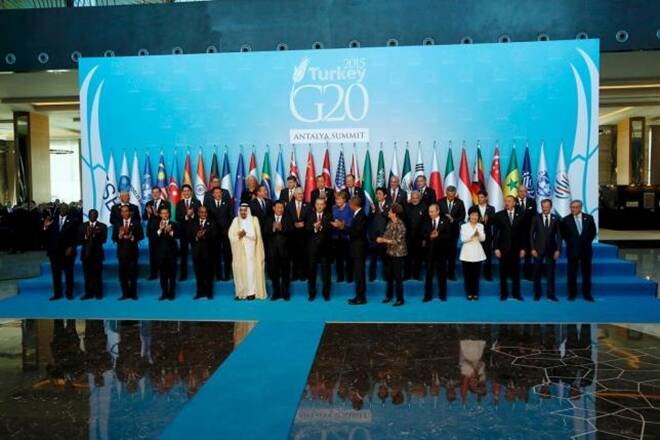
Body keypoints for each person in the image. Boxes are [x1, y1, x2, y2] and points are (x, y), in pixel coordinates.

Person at [228, 204, 267, 300]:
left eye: (245, 210)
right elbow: (231, 235)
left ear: (248, 211)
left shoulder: (254, 220)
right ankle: (241, 293)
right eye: (241, 210)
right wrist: (239, 236)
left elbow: (256, 236)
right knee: (239, 271)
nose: (243, 212)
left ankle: (251, 293)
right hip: (239, 252)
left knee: (250, 271)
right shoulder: (236, 221)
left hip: (251, 251)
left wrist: (246, 234)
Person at [560, 200, 596, 302]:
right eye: (572, 207)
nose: (573, 209)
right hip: (572, 250)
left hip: (586, 250)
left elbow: (592, 232)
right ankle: (572, 294)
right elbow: (564, 235)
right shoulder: (565, 220)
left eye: (575, 207)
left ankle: (587, 294)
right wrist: (572, 243)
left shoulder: (589, 218)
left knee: (586, 273)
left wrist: (585, 242)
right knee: (572, 273)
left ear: (580, 208)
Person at [43, 203, 80, 300]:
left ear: (68, 210)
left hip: (67, 251)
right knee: (56, 274)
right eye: (62, 208)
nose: (63, 210)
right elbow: (46, 235)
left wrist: (71, 247)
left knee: (68, 274)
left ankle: (69, 293)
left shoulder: (74, 220)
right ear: (59, 209)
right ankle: (57, 293)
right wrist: (45, 227)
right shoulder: (53, 219)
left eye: (65, 208)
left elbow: (76, 236)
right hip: (54, 251)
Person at [493, 196, 525, 301]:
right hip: (503, 249)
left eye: (509, 201)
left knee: (516, 273)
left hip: (516, 249)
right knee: (503, 273)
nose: (507, 203)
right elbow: (496, 233)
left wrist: (523, 248)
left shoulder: (521, 214)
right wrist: (496, 248)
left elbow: (523, 233)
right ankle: (504, 294)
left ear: (514, 203)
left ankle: (516, 294)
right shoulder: (499, 215)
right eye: (506, 201)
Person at [530, 199, 561, 301]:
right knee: (536, 273)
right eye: (543, 207)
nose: (545, 209)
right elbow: (531, 234)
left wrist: (558, 250)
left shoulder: (556, 218)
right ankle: (537, 294)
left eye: (547, 207)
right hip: (537, 249)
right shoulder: (536, 217)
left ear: (550, 207)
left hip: (551, 250)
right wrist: (532, 248)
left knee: (550, 273)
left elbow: (559, 236)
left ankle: (551, 294)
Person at [377, 203, 407, 306]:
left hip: (398, 254)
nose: (388, 212)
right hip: (389, 252)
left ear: (394, 213)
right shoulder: (389, 222)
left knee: (398, 277)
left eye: (390, 211)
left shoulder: (401, 225)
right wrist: (382, 238)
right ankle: (389, 296)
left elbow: (397, 241)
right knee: (389, 275)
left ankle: (400, 299)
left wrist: (383, 240)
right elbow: (386, 234)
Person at [113, 204, 144, 300]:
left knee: (133, 275)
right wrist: (119, 236)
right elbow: (113, 237)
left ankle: (133, 294)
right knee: (123, 276)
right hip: (122, 253)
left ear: (130, 212)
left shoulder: (136, 223)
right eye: (122, 211)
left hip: (133, 253)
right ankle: (125, 294)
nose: (124, 213)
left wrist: (133, 237)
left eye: (126, 211)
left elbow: (141, 236)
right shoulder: (117, 224)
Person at [422, 203, 450, 302]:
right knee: (428, 275)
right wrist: (429, 236)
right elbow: (423, 234)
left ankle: (443, 295)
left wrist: (438, 236)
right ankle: (427, 296)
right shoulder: (426, 221)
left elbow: (448, 235)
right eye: (429, 212)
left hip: (441, 252)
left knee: (442, 274)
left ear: (438, 211)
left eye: (432, 212)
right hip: (429, 253)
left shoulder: (445, 221)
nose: (430, 214)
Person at [305, 198, 332, 301]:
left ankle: (326, 294)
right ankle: (312, 293)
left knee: (326, 272)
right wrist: (314, 227)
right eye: (318, 204)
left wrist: (320, 227)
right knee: (311, 271)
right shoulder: (309, 215)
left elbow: (330, 228)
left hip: (325, 248)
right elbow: (306, 227)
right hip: (312, 248)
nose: (319, 206)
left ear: (325, 205)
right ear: (315, 205)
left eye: (321, 204)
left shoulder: (329, 215)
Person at [150, 206, 179, 300]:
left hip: (172, 254)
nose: (165, 215)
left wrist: (171, 232)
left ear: (169, 214)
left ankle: (172, 294)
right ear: (160, 215)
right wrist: (160, 230)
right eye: (163, 213)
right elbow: (152, 238)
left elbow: (179, 235)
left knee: (172, 275)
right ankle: (164, 293)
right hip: (160, 254)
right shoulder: (155, 224)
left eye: (166, 213)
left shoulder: (174, 224)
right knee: (163, 275)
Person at [78, 209, 108, 300]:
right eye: (91, 214)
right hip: (86, 254)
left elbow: (104, 240)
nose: (92, 216)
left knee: (98, 275)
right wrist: (86, 235)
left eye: (94, 214)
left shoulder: (102, 226)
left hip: (97, 254)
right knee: (87, 275)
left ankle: (98, 293)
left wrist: (95, 234)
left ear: (97, 216)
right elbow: (79, 240)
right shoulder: (82, 226)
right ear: (88, 215)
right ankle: (88, 293)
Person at [264, 201, 292, 300]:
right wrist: (273, 229)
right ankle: (276, 293)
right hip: (272, 252)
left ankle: (285, 293)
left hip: (285, 251)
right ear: (274, 208)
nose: (280, 209)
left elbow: (291, 233)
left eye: (282, 207)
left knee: (285, 273)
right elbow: (265, 232)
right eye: (278, 207)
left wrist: (281, 229)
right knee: (273, 273)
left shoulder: (288, 218)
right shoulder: (268, 219)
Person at [205, 186, 233, 281]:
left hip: (226, 232)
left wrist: (230, 230)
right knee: (215, 254)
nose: (218, 194)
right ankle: (218, 275)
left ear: (222, 194)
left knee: (227, 254)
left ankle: (227, 274)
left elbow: (231, 216)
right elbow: (207, 218)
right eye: (216, 192)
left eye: (219, 192)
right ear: (213, 194)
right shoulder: (208, 204)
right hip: (213, 233)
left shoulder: (227, 202)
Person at [188, 205, 216, 299]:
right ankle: (199, 292)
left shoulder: (212, 222)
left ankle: (209, 293)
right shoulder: (193, 222)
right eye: (201, 212)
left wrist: (204, 236)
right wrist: (196, 237)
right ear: (198, 213)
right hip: (196, 253)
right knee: (198, 274)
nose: (203, 214)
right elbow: (189, 236)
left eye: (205, 212)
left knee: (209, 274)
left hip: (208, 253)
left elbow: (215, 236)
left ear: (207, 213)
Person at [143, 186, 170, 280]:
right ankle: (153, 274)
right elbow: (144, 217)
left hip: (162, 231)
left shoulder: (166, 203)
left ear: (160, 193)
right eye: (153, 192)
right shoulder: (148, 203)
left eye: (157, 192)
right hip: (152, 232)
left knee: (163, 253)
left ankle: (164, 273)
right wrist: (148, 214)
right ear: (151, 193)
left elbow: (167, 216)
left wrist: (155, 214)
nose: (155, 194)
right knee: (152, 254)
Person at [459, 207, 487, 301]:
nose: (474, 217)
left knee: (476, 275)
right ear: (469, 215)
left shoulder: (480, 226)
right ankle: (469, 293)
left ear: (478, 216)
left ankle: (475, 293)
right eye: (472, 215)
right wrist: (472, 236)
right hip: (466, 254)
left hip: (477, 253)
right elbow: (463, 239)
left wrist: (479, 234)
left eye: (476, 215)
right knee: (468, 275)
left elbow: (483, 239)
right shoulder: (464, 226)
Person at [439, 185, 466, 280]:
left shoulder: (460, 202)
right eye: (449, 195)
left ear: (455, 194)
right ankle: (442, 273)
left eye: (452, 195)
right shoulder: (440, 202)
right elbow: (437, 215)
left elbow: (462, 216)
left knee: (452, 253)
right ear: (446, 193)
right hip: (442, 231)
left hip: (454, 231)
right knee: (442, 253)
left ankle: (451, 273)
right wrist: (445, 219)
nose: (451, 197)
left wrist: (453, 219)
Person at [175, 184, 201, 281]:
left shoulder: (197, 202)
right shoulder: (179, 203)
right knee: (183, 255)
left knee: (196, 254)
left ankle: (198, 273)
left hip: (194, 233)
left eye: (188, 191)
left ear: (191, 192)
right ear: (182, 193)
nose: (186, 192)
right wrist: (186, 216)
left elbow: (201, 216)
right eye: (184, 191)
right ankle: (183, 275)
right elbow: (177, 217)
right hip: (183, 233)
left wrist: (193, 215)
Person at [347, 196, 368, 305]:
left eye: (350, 204)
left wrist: (343, 227)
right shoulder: (358, 214)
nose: (349, 206)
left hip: (359, 249)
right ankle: (359, 296)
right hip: (357, 248)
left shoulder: (361, 215)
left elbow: (356, 232)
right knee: (358, 273)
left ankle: (361, 297)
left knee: (359, 274)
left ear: (353, 205)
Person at [285, 187, 308, 281]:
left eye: (302, 193)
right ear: (294, 195)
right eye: (298, 194)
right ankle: (294, 275)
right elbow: (286, 219)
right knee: (294, 256)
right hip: (292, 235)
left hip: (304, 236)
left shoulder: (308, 205)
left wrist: (304, 224)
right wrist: (293, 224)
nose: (300, 195)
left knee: (303, 256)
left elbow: (311, 219)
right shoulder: (288, 206)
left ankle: (303, 275)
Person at [330, 192, 353, 283]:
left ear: (344, 200)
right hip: (336, 237)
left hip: (346, 237)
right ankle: (340, 277)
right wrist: (333, 224)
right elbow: (331, 220)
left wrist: (342, 225)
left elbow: (351, 223)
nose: (337, 201)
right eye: (336, 199)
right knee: (338, 258)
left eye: (339, 199)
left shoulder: (350, 208)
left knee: (348, 258)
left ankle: (349, 277)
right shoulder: (333, 208)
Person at [404, 190, 427, 280]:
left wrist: (424, 238)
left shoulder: (424, 207)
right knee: (407, 257)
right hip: (408, 237)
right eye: (413, 198)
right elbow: (404, 222)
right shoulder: (407, 207)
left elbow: (426, 223)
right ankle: (407, 275)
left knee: (418, 257)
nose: (414, 199)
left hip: (419, 237)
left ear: (420, 198)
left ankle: (416, 275)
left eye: (416, 198)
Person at [368, 187, 390, 281]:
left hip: (385, 236)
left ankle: (387, 277)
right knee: (373, 259)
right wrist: (372, 212)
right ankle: (371, 277)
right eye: (377, 194)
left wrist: (381, 209)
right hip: (374, 236)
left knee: (385, 259)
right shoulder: (373, 205)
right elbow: (369, 219)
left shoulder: (389, 205)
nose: (378, 195)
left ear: (385, 195)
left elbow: (390, 218)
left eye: (380, 193)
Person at [516, 185, 537, 280]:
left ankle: (527, 274)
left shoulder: (532, 202)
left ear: (527, 192)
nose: (522, 193)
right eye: (520, 191)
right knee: (515, 254)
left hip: (528, 233)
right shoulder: (512, 201)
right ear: (517, 192)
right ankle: (514, 274)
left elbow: (534, 217)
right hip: (515, 233)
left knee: (528, 255)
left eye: (524, 191)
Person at [475, 190, 495, 281]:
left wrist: (489, 219)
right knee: (476, 255)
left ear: (486, 198)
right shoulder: (474, 208)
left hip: (487, 235)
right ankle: (476, 274)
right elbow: (470, 220)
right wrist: (476, 220)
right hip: (476, 235)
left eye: (482, 197)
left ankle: (488, 274)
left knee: (488, 255)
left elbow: (494, 221)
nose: (480, 199)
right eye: (479, 197)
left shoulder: (491, 208)